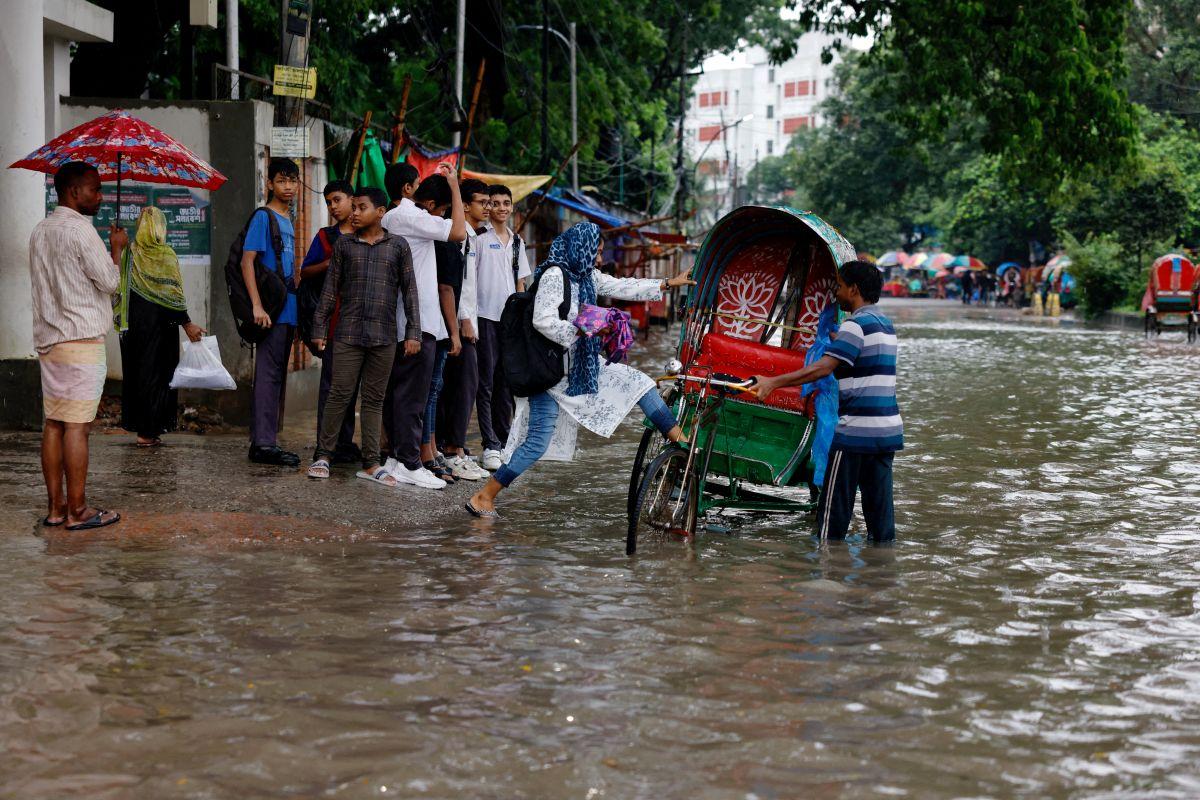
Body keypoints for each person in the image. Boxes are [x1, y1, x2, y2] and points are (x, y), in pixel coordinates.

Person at [465, 221, 694, 518]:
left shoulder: (584, 276)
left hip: (575, 367)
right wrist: (585, 329)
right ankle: (484, 496)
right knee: (537, 443)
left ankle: (682, 442)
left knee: (640, 383)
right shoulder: (554, 275)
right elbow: (543, 320)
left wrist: (668, 284)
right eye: (595, 253)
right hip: (550, 371)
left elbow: (620, 284)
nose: (598, 259)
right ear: (580, 248)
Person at [751, 260, 903, 543]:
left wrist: (772, 382)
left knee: (832, 519)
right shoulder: (885, 325)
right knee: (881, 521)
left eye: (840, 286)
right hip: (887, 432)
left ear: (854, 290)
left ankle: (826, 573)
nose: (836, 293)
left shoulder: (855, 326)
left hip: (856, 433)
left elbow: (822, 368)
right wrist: (837, 340)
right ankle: (879, 574)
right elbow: (862, 365)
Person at [30, 161, 127, 530]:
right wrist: (116, 249)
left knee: (54, 423)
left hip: (49, 343)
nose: (99, 196)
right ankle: (79, 510)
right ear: (74, 192)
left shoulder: (40, 231)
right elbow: (110, 282)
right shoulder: (82, 232)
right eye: (94, 189)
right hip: (81, 342)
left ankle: (56, 509)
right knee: (77, 427)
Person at [307, 187, 419, 486]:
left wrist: (413, 333)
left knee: (374, 399)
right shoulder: (344, 245)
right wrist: (318, 329)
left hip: (384, 336)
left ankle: (371, 462)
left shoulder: (398, 246)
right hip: (347, 334)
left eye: (361, 207)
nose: (354, 213)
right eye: (353, 207)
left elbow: (410, 293)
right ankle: (323, 455)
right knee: (339, 395)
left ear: (380, 212)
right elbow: (329, 291)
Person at [380, 162, 466, 489]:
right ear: (406, 188)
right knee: (412, 395)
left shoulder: (396, 217)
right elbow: (457, 231)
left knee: (402, 393)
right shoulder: (408, 217)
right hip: (418, 321)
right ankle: (408, 462)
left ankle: (396, 459)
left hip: (410, 319)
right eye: (416, 183)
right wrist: (454, 186)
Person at [116, 206, 205, 447]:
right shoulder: (166, 255)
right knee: (157, 377)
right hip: (161, 327)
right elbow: (173, 295)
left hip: (134, 327)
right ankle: (149, 431)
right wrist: (187, 323)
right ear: (160, 228)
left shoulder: (129, 253)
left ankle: (144, 430)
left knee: (138, 375)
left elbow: (118, 286)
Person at [241, 157, 301, 467]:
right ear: (269, 183)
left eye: (293, 181)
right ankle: (263, 444)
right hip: (271, 310)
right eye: (282, 181)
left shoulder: (287, 217)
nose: (288, 187)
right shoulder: (264, 217)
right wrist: (256, 305)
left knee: (277, 375)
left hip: (287, 308)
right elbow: (247, 261)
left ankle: (267, 440)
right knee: (268, 375)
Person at [299, 179, 360, 463]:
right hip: (333, 324)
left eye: (337, 200)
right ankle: (326, 446)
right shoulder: (326, 237)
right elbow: (306, 271)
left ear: (352, 200)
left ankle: (345, 444)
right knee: (332, 387)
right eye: (329, 203)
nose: (333, 207)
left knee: (353, 388)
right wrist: (330, 261)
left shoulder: (368, 234)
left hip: (363, 325)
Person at [474, 184, 532, 471]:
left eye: (505, 203)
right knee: (484, 383)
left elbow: (521, 285)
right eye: (494, 203)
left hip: (509, 323)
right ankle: (490, 445)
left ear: (512, 207)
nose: (501, 208)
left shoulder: (518, 242)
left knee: (506, 384)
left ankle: (505, 440)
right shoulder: (478, 239)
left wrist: (521, 323)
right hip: (483, 318)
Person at [411, 174, 464, 483]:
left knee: (432, 389)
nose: (448, 215)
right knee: (428, 390)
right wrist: (454, 332)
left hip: (439, 325)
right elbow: (446, 288)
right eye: (446, 208)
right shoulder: (439, 236)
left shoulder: (434, 233)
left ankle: (429, 448)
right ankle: (425, 450)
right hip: (437, 325)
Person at [437, 178, 490, 480]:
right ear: (465, 205)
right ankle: (453, 450)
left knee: (462, 386)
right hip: (458, 322)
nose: (487, 207)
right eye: (481, 202)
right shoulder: (458, 235)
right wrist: (464, 319)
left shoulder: (471, 235)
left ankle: (455, 447)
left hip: (466, 321)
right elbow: (456, 284)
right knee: (462, 387)